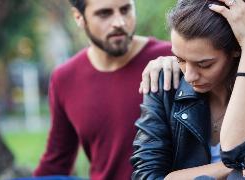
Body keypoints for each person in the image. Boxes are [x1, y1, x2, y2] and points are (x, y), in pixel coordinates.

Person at [131, 0, 245, 179]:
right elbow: (146, 175)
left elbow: (237, 152)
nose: (189, 76)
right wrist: (232, 169)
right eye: (180, 59)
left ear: (236, 50)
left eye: (204, 64)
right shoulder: (166, 82)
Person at [33, 0, 180, 179]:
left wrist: (182, 63)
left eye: (125, 10)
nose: (119, 22)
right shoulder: (64, 78)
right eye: (104, 13)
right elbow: (56, 162)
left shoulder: (172, 60)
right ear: (79, 17)